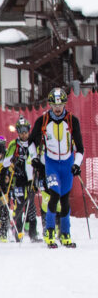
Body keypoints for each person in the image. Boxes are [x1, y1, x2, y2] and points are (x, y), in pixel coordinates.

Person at [28, 88, 84, 248]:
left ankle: (65, 233)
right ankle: (50, 231)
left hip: (67, 163)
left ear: (65, 104)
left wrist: (76, 165)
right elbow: (31, 142)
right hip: (50, 163)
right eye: (54, 105)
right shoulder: (43, 120)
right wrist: (35, 159)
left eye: (60, 105)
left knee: (65, 199)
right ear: (50, 105)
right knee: (54, 194)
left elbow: (80, 148)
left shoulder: (72, 120)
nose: (57, 109)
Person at [6, 116, 40, 242]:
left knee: (31, 205)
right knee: (19, 205)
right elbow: (5, 162)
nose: (23, 135)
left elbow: (37, 158)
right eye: (21, 132)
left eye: (25, 132)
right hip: (18, 178)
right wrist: (12, 161)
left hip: (30, 179)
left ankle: (33, 233)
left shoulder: (33, 143)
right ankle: (17, 231)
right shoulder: (14, 144)